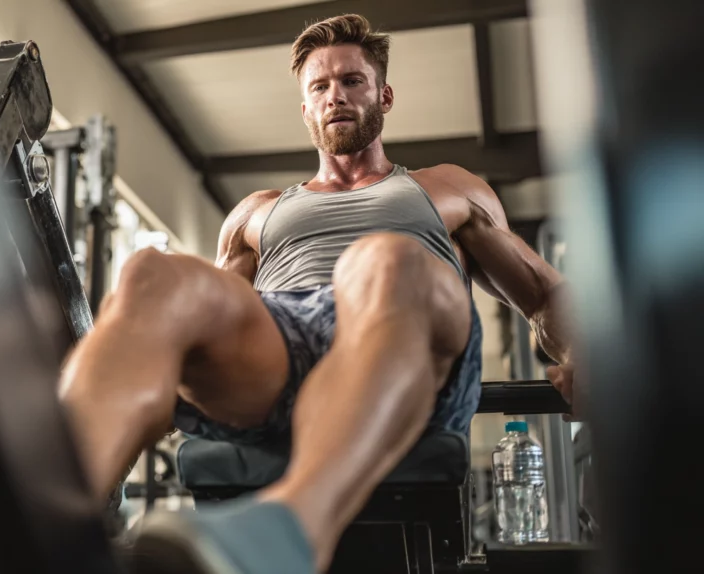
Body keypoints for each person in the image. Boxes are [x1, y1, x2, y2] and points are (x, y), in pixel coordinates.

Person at [59, 14, 576, 574]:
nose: (336, 96)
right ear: (305, 109)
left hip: (407, 337)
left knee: (386, 258)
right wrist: (139, 382)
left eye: (353, 81)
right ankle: (42, 523)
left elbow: (545, 294)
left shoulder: (446, 188)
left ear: (384, 94)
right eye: (320, 87)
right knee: (151, 275)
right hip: (283, 345)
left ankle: (289, 532)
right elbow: (198, 336)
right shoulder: (255, 212)